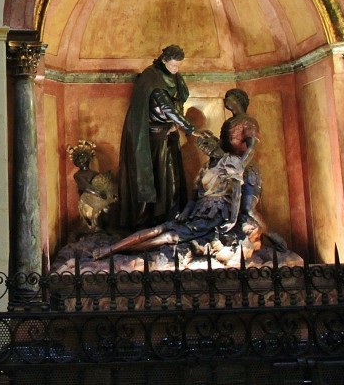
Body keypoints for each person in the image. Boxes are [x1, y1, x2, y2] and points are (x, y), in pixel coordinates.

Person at [95, 88, 259, 260]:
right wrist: (186, 212)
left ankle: (120, 251)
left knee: (167, 236)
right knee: (159, 229)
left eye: (207, 145)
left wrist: (231, 220)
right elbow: (194, 196)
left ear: (215, 143)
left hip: (213, 217)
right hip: (196, 214)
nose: (205, 149)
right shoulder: (205, 168)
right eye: (202, 147)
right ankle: (112, 249)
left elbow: (237, 192)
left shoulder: (230, 163)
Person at [115, 44, 198, 230]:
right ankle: (148, 220)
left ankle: (171, 216)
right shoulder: (151, 77)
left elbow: (177, 102)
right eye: (173, 65)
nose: (176, 69)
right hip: (149, 137)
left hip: (169, 134)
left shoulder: (175, 77)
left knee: (171, 177)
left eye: (179, 66)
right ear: (164, 60)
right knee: (153, 176)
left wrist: (175, 125)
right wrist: (189, 128)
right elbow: (166, 106)